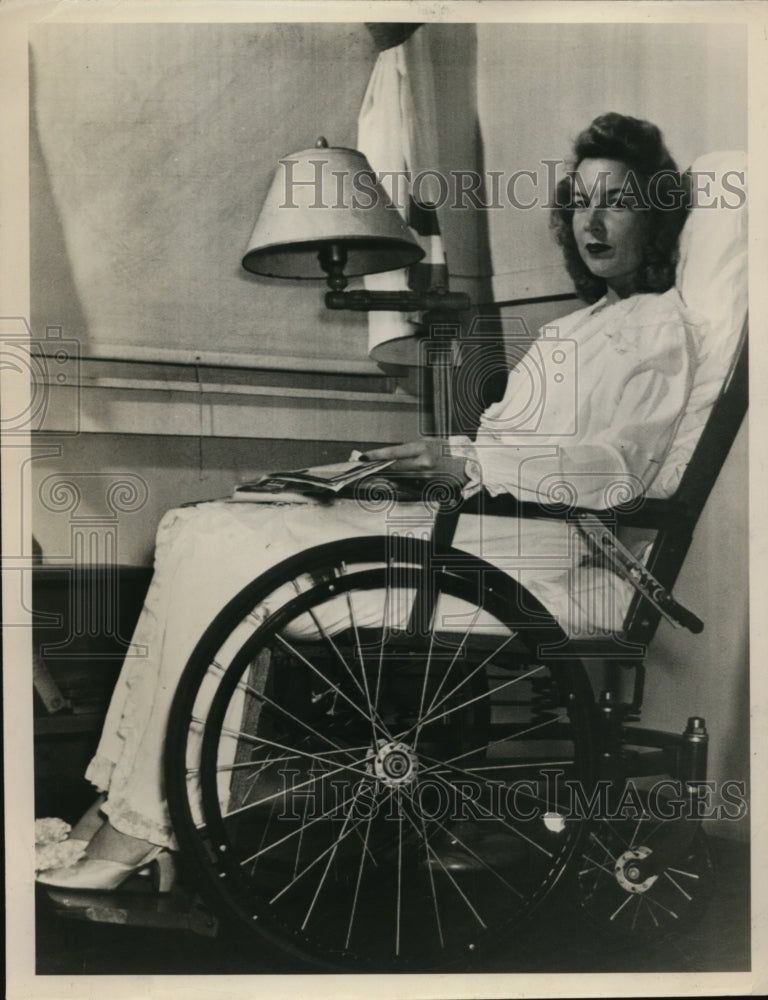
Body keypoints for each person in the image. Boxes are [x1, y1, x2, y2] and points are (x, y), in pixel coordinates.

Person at [37, 112, 700, 890]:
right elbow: (494, 457)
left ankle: (151, 828)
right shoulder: (568, 332)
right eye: (580, 201)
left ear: (654, 214)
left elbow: (616, 469)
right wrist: (399, 473)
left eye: (615, 200)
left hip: (550, 551)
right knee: (197, 526)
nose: (592, 220)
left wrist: (467, 459)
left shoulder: (663, 330)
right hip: (490, 524)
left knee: (229, 547)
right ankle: (124, 802)